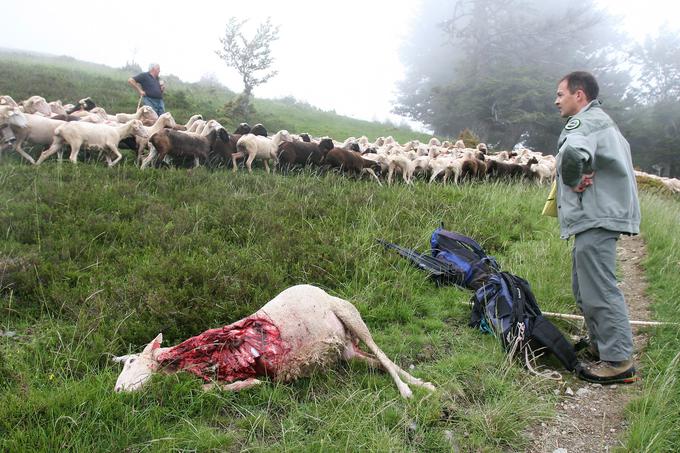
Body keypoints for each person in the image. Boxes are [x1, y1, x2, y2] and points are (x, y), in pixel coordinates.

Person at [554, 71, 641, 385]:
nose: (556, 101)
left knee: (599, 288)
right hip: (600, 214)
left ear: (579, 95)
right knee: (584, 286)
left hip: (597, 214)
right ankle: (600, 345)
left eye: (560, 94)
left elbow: (573, 154)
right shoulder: (604, 122)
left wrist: (575, 180)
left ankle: (618, 361)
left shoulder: (584, 122)